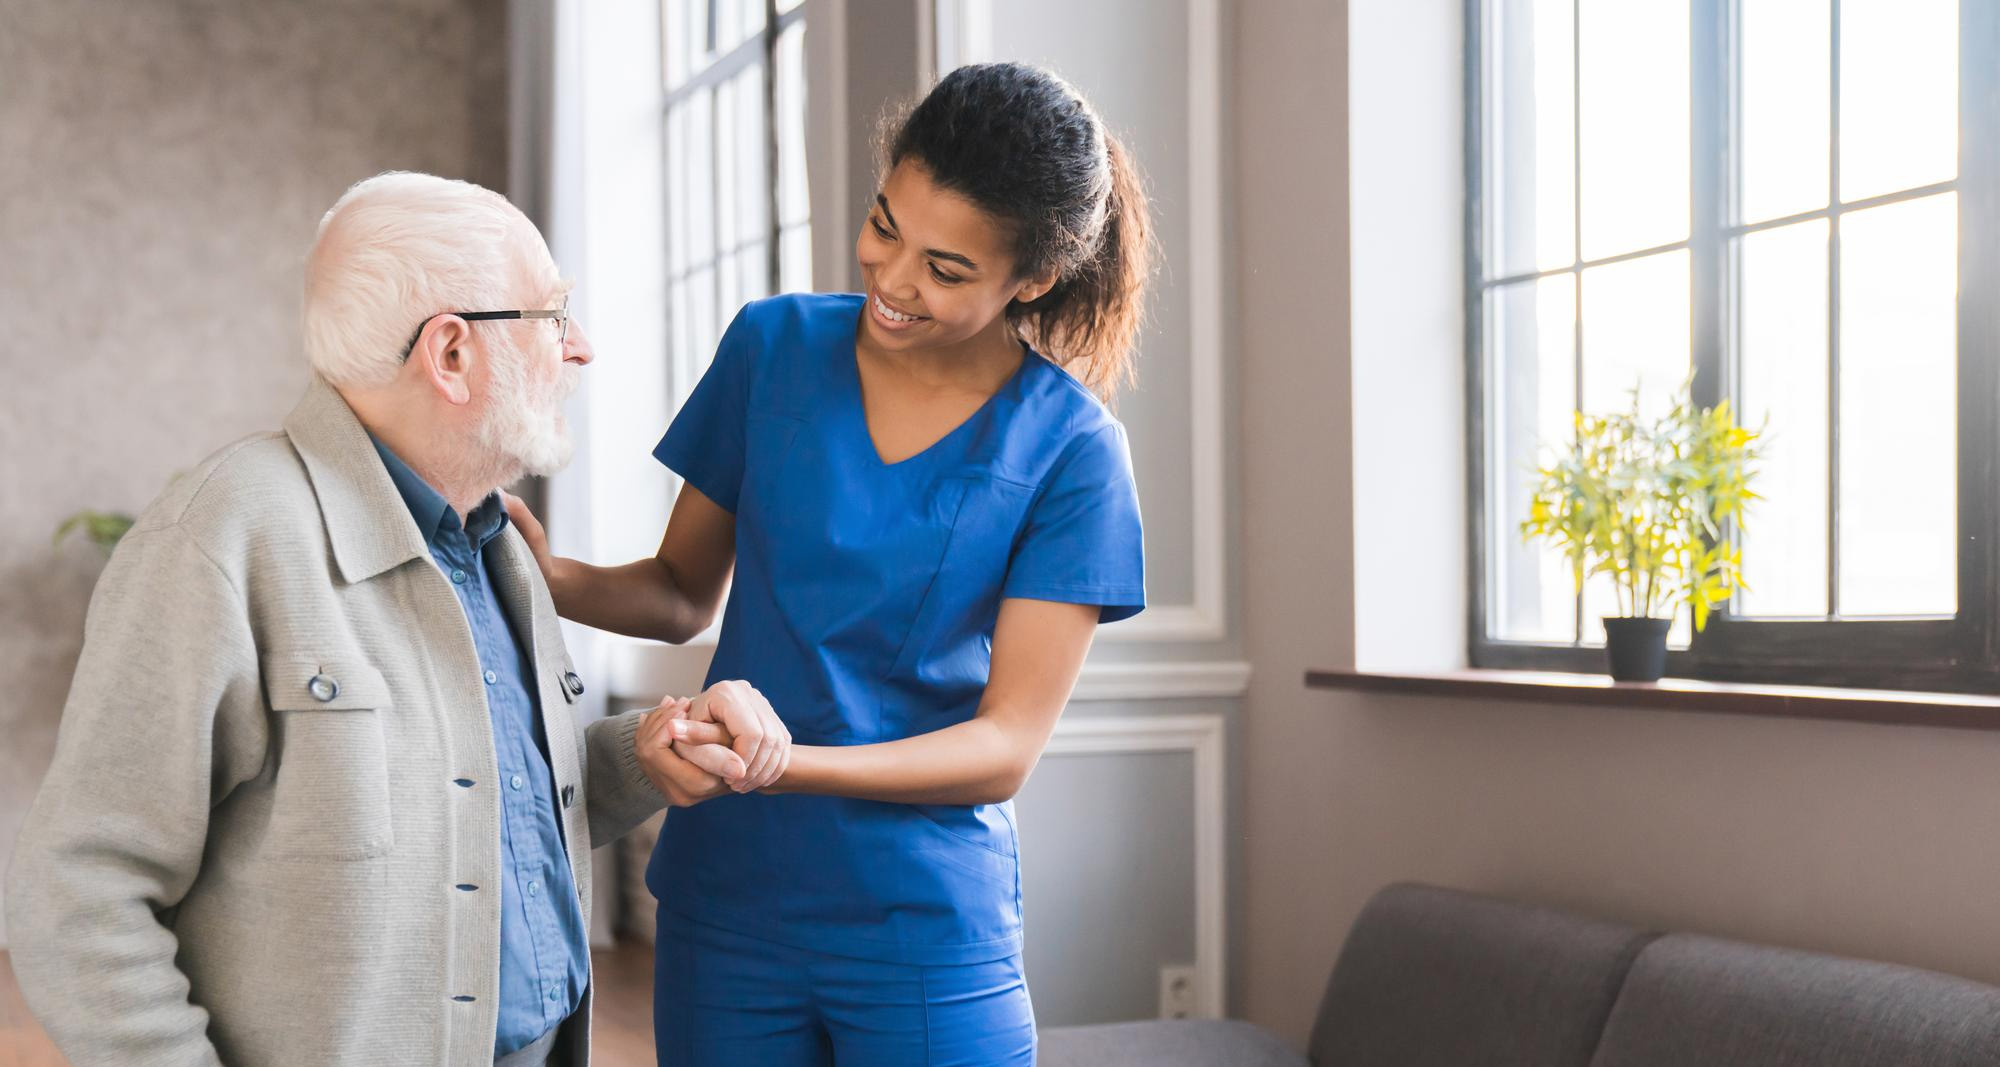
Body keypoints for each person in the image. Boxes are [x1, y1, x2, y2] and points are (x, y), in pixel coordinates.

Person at [4, 172, 787, 1067]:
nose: (581, 348)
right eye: (552, 315)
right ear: (452, 353)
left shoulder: (497, 544)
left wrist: (648, 749)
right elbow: (79, 890)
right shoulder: (221, 538)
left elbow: (495, 802)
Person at [511, 62, 1153, 1066]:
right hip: (726, 901)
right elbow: (683, 594)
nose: (892, 281)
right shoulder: (770, 346)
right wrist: (554, 578)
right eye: (885, 225)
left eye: (946, 269)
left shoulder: (1073, 450)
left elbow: (1003, 745)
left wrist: (775, 763)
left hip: (922, 920)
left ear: (1028, 280)